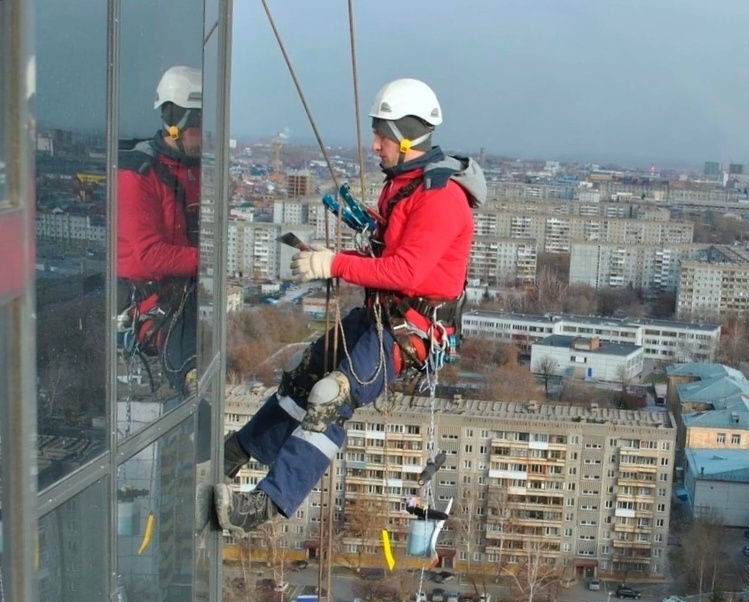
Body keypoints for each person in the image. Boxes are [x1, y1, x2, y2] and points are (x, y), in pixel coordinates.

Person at [215, 78, 485, 537]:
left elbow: (407, 273)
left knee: (330, 399)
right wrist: (336, 260)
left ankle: (265, 505)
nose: (375, 144)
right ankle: (238, 452)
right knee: (305, 376)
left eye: (382, 134)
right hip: (384, 314)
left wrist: (333, 264)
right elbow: (387, 261)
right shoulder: (405, 185)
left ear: (407, 136)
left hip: (408, 331)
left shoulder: (438, 198)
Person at [117, 65, 202, 397]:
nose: (206, 135)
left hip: (186, 295)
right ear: (177, 125)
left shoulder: (194, 170)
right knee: (194, 372)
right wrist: (211, 259)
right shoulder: (139, 176)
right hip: (153, 304)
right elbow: (148, 256)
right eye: (199, 126)